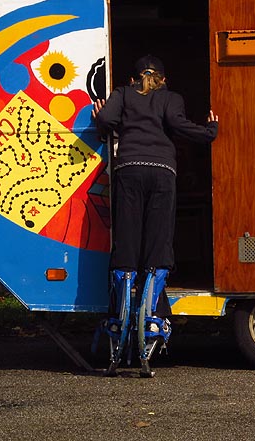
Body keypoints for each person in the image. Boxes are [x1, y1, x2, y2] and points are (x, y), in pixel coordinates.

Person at [92, 55, 218, 362]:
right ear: (163, 77)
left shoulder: (122, 94)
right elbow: (178, 125)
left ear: (133, 77)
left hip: (129, 169)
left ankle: (121, 316)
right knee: (158, 239)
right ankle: (151, 317)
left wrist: (100, 117)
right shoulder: (170, 98)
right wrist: (209, 131)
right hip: (162, 171)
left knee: (128, 237)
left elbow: (106, 121)